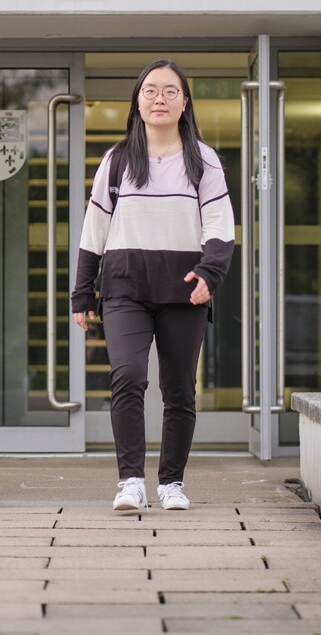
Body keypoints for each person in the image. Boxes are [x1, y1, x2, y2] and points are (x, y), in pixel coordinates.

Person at [72, 59, 235, 511]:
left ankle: (171, 484)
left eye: (169, 91)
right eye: (150, 90)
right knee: (127, 376)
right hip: (124, 288)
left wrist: (210, 273)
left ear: (185, 102)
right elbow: (94, 228)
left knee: (180, 388)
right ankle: (130, 482)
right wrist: (83, 293)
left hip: (184, 289)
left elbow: (220, 225)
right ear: (137, 101)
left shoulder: (203, 160)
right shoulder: (118, 159)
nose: (159, 98)